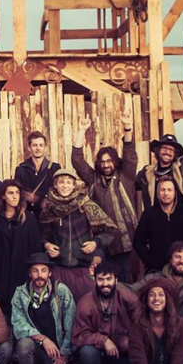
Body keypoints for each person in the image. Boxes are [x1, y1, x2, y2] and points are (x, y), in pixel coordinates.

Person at [70, 118, 140, 277]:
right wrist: (81, 131)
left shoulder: (126, 176)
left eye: (109, 161)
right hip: (100, 242)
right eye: (102, 162)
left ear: (115, 161)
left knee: (122, 282)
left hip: (124, 241)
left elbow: (130, 154)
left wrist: (128, 128)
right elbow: (77, 160)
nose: (106, 165)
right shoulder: (93, 179)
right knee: (100, 280)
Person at [37, 168, 119, 300]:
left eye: (69, 182)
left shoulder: (86, 206)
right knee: (60, 310)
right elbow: (42, 235)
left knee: (84, 307)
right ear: (55, 185)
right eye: (61, 182)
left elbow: (110, 231)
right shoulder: (48, 210)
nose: (65, 186)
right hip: (59, 269)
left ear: (74, 185)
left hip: (83, 270)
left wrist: (95, 243)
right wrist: (47, 245)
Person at [10, 253, 76, 364]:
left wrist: (65, 354)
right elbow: (18, 324)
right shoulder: (21, 293)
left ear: (50, 273)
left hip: (56, 352)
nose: (39, 275)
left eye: (43, 270)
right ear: (30, 273)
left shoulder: (61, 291)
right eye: (35, 270)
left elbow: (71, 324)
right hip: (35, 348)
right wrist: (43, 339)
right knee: (24, 344)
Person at [73, 266, 140, 364]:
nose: (105, 284)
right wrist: (103, 340)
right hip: (98, 351)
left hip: (121, 352)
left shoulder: (128, 299)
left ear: (116, 280)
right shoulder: (86, 303)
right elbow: (79, 335)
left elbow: (141, 326)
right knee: (87, 352)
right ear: (95, 281)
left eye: (109, 279)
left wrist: (127, 341)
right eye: (101, 279)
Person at [0, 181, 43, 313]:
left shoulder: (28, 218)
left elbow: (36, 248)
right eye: (10, 193)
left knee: (24, 309)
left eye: (17, 193)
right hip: (1, 274)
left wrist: (35, 275)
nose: (15, 196)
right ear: (3, 196)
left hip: (22, 272)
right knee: (3, 310)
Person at [133, 178, 183, 276]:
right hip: (157, 270)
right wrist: (150, 261)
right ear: (157, 193)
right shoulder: (149, 214)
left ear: (175, 192)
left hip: (182, 270)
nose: (166, 193)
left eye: (169, 190)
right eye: (163, 190)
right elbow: (138, 241)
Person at [13, 131, 60, 210]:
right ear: (29, 148)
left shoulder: (55, 168)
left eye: (41, 145)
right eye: (35, 145)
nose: (38, 148)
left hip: (48, 213)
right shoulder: (21, 169)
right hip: (28, 214)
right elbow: (17, 192)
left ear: (45, 147)